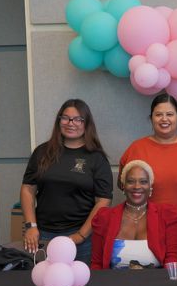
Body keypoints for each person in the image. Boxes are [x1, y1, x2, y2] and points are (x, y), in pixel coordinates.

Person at [21, 99, 113, 263]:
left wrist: (81, 235)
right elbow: (28, 188)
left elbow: (103, 201)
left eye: (78, 119)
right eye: (65, 118)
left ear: (86, 124)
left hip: (81, 239)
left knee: (80, 279)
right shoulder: (42, 152)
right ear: (59, 121)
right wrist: (31, 226)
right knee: (44, 277)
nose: (71, 123)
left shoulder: (96, 158)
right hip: (43, 234)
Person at [119, 94, 177, 226]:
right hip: (146, 224)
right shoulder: (136, 148)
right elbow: (123, 185)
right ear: (151, 118)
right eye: (158, 114)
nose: (164, 119)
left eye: (170, 114)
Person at [90, 160, 177, 269]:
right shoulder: (104, 217)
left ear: (150, 186)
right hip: (114, 280)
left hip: (157, 280)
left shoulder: (167, 215)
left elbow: (172, 260)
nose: (137, 186)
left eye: (143, 182)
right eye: (131, 181)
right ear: (123, 186)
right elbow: (97, 264)